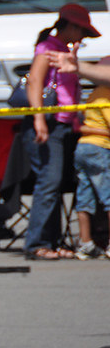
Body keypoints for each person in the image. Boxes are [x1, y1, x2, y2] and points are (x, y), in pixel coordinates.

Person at [21, 2, 99, 261]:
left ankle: (52, 242)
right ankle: (36, 243)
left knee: (56, 185)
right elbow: (34, 81)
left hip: (65, 126)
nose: (82, 39)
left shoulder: (64, 52)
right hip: (50, 125)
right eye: (82, 33)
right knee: (49, 182)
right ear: (71, 26)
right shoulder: (47, 48)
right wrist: (39, 120)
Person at [49, 45, 110, 262]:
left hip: (83, 148)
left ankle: (85, 243)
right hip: (99, 149)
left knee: (85, 197)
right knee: (108, 196)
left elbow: (81, 126)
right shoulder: (105, 95)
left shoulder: (93, 94)